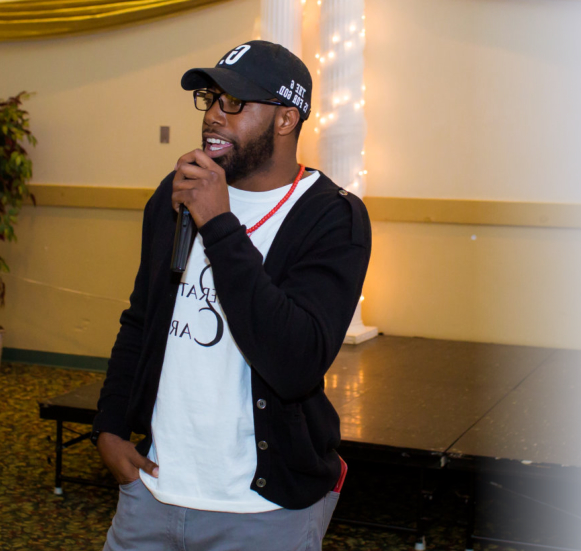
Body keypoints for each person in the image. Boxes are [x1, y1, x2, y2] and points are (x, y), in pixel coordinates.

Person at [90, 40, 371, 550]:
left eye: (235, 103)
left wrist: (219, 224)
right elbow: (142, 319)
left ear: (286, 120)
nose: (215, 116)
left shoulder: (333, 216)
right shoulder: (175, 193)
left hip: (261, 511)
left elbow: (295, 362)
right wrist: (109, 427)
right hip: (152, 490)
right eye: (211, 99)